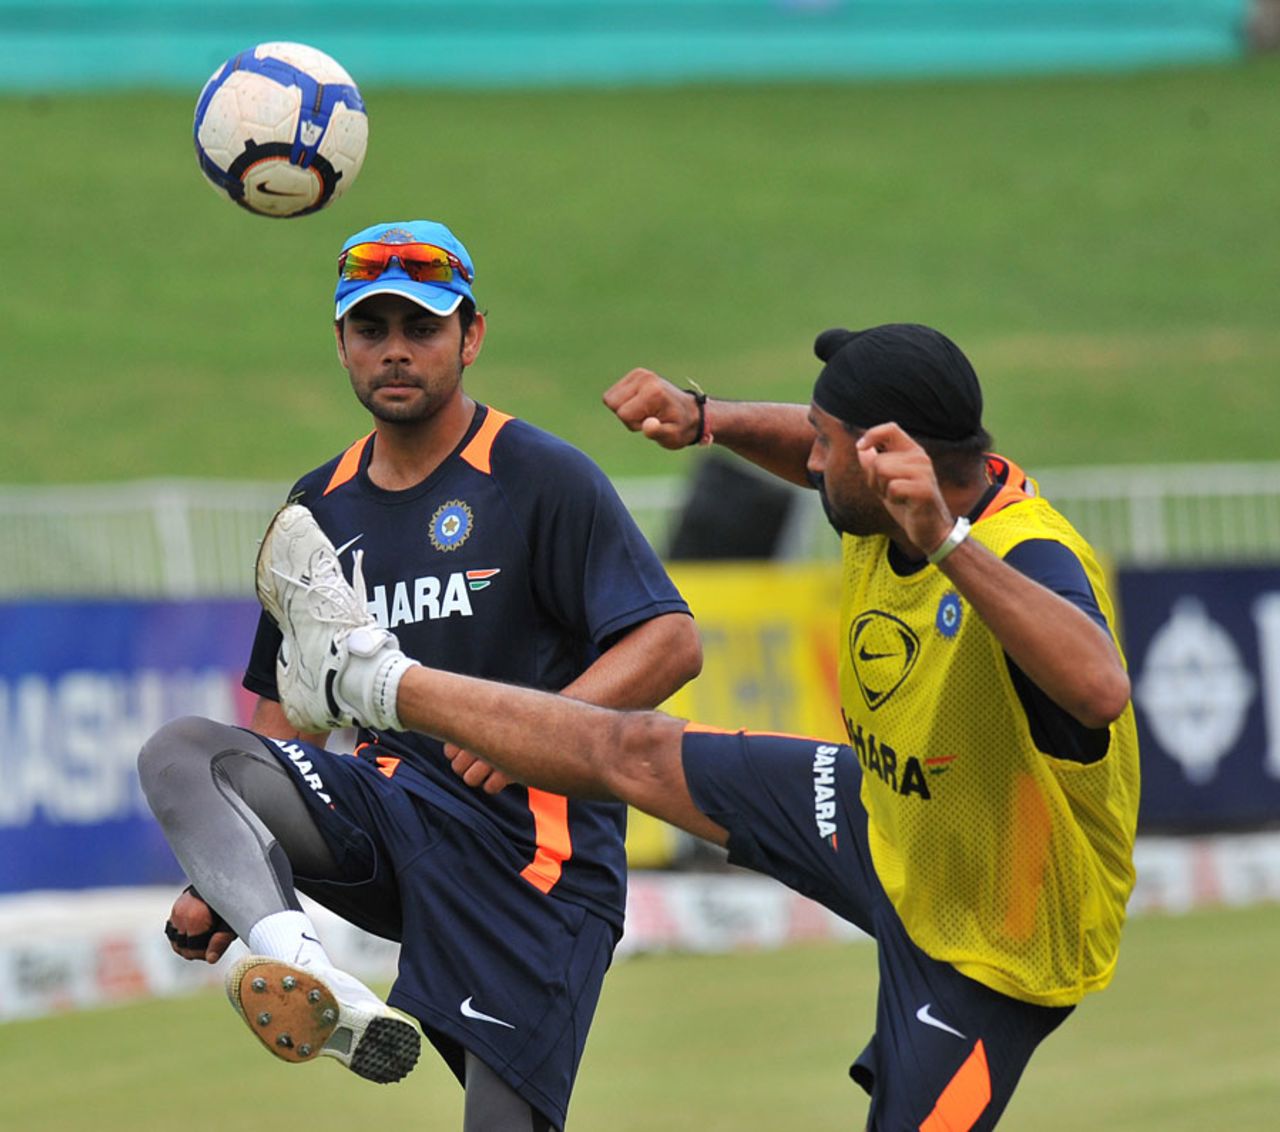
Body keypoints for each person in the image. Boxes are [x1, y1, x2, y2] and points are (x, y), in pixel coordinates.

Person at [251, 322, 1140, 1131]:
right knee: (634, 748)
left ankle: (373, 680)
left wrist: (945, 544)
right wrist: (706, 418)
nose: (811, 463)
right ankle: (374, 681)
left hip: (1000, 933)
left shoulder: (1025, 549)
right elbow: (822, 441)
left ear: (889, 460)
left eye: (826, 448)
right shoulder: (900, 481)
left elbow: (1099, 687)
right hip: (882, 817)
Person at [137, 220, 701, 1131]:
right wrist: (222, 875)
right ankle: (308, 969)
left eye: (423, 328)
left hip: (536, 862)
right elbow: (290, 709)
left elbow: (671, 642)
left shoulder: (538, 475)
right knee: (183, 754)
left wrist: (542, 733)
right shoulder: (317, 505)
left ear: (470, 337)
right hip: (394, 821)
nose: (396, 352)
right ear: (341, 344)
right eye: (372, 330)